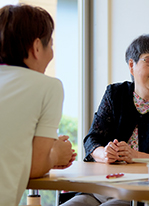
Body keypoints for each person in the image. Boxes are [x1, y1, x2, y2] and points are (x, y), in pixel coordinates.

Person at [61, 34, 149, 205]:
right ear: (132, 65)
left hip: (144, 192)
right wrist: (104, 153)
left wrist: (135, 156)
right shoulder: (114, 94)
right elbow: (92, 139)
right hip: (102, 186)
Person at [0, 4, 76, 206]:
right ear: (36, 48)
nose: (51, 55)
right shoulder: (47, 86)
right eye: (50, 46)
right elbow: (36, 165)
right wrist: (56, 154)